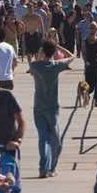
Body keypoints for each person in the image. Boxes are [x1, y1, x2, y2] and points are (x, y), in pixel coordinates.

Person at [27, 39, 74, 177]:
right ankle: (51, 168)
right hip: (52, 107)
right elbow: (72, 56)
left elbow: (34, 62)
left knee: (43, 138)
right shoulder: (57, 66)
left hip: (38, 107)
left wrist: (41, 53)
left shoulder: (34, 66)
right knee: (56, 139)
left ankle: (43, 168)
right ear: (54, 52)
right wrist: (58, 47)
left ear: (42, 51)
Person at [82, 22, 97, 106]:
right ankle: (86, 97)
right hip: (89, 64)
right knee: (88, 84)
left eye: (94, 28)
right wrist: (85, 62)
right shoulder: (85, 40)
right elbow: (83, 53)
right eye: (91, 28)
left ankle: (95, 100)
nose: (93, 30)